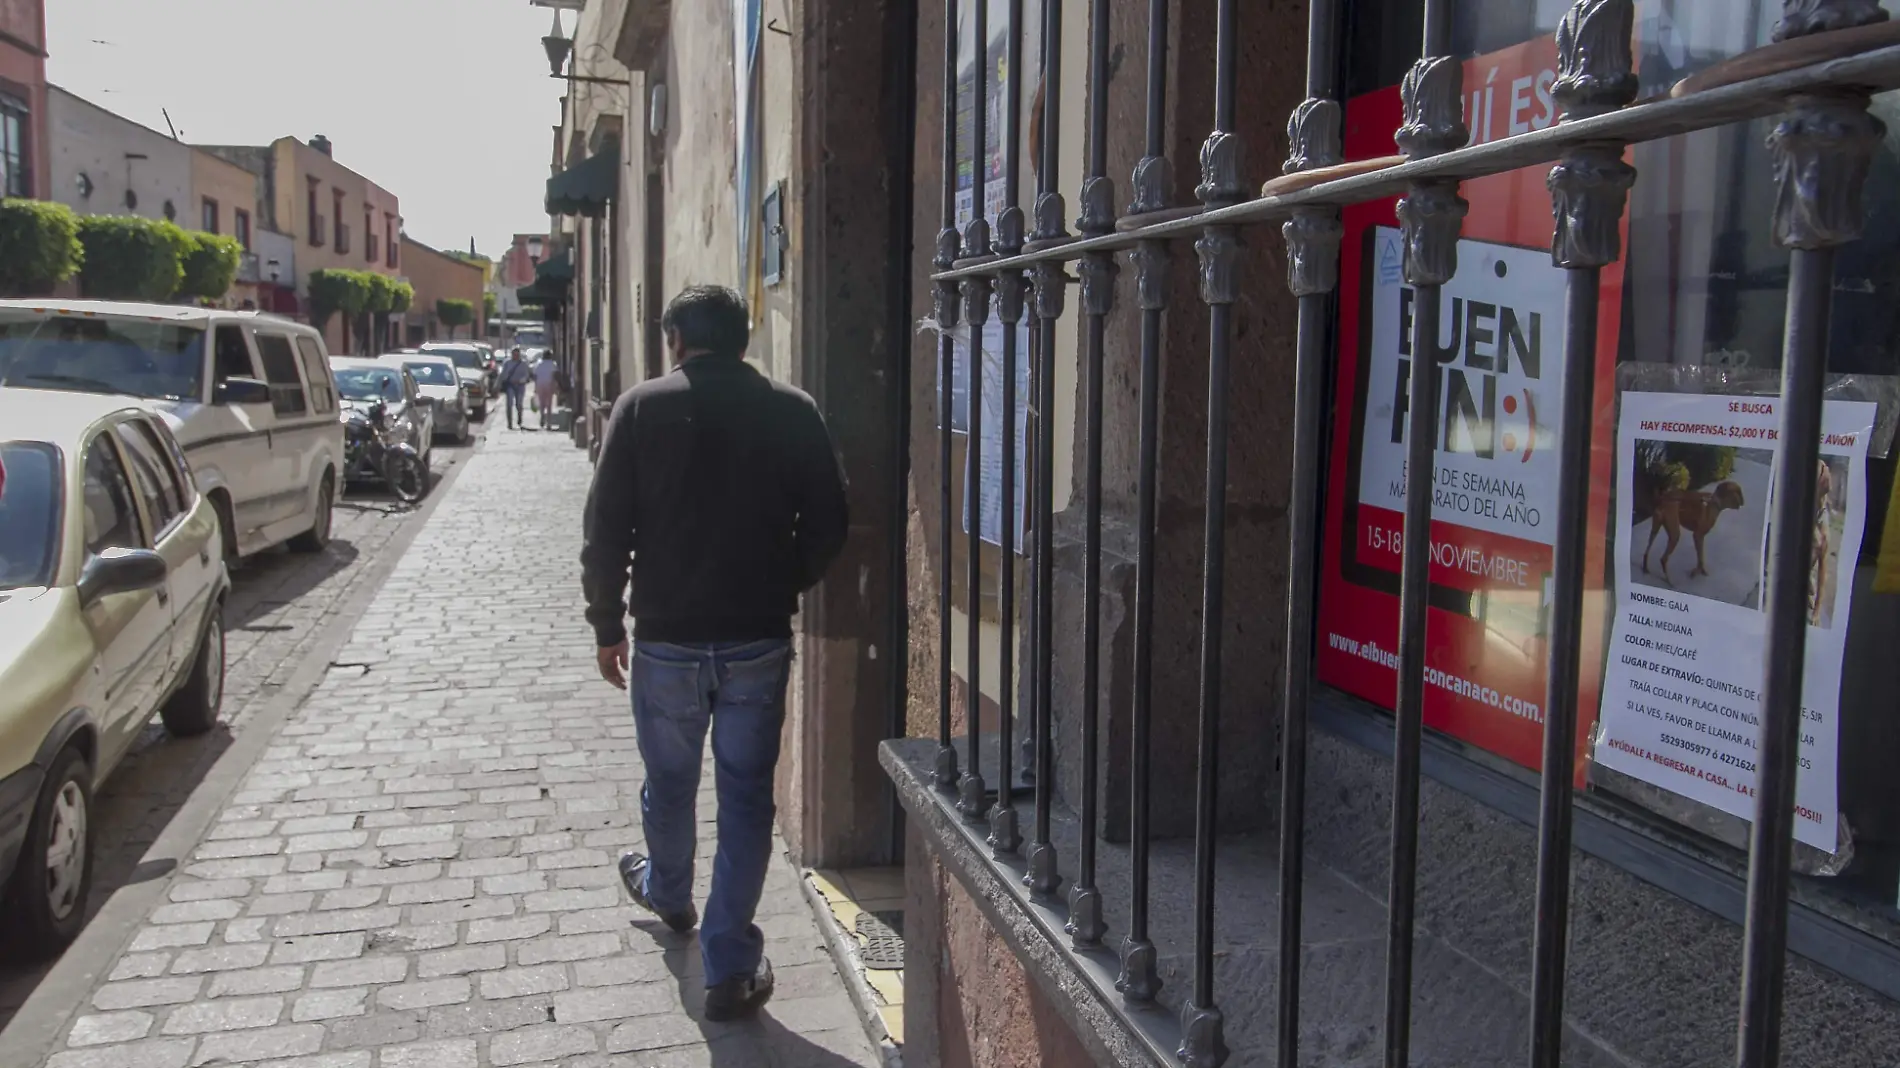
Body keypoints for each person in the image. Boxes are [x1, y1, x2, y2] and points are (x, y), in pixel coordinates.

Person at [581, 285, 848, 1022]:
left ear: (675, 341)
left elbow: (606, 531)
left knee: (668, 781)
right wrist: (779, 578)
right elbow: (830, 522)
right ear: (744, 336)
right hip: (756, 637)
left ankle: (669, 891)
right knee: (745, 797)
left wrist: (607, 625)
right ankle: (729, 965)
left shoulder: (640, 408)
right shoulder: (790, 409)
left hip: (665, 639)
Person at [495, 348, 532, 429]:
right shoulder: (507, 363)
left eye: (517, 355)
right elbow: (502, 374)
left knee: (519, 404)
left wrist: (519, 381)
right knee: (509, 404)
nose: (515, 356)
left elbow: (526, 375)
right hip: (510, 385)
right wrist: (497, 385)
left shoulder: (523, 364)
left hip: (520, 386)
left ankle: (519, 417)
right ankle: (509, 423)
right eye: (513, 354)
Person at [532, 350, 560, 429]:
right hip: (549, 384)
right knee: (549, 404)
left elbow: (534, 375)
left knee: (542, 403)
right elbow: (555, 375)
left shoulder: (538, 364)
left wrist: (535, 386)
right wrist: (556, 386)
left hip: (540, 384)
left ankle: (542, 416)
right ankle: (549, 423)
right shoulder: (553, 364)